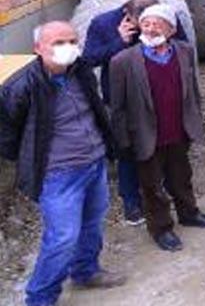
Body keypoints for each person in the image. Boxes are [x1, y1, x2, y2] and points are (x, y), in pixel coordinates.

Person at [0, 21, 127, 305]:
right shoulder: (21, 86)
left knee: (92, 224)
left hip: (93, 164)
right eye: (57, 43)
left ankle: (85, 271)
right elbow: (7, 135)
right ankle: (40, 297)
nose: (67, 48)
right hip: (58, 174)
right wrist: (30, 162)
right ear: (37, 48)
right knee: (62, 238)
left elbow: (95, 109)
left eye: (71, 41)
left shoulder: (80, 71)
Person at [107, 4, 205, 252]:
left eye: (157, 24)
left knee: (182, 177)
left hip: (178, 129)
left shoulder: (184, 51)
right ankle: (161, 228)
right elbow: (117, 107)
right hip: (146, 135)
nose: (150, 29)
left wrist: (195, 120)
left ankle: (189, 213)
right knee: (152, 186)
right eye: (146, 24)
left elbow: (192, 90)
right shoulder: (123, 61)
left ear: (170, 30)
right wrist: (123, 141)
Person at [80, 0, 166, 226]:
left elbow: (182, 46)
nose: (150, 25)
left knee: (159, 145)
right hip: (122, 99)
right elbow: (88, 60)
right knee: (126, 150)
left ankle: (160, 190)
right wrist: (119, 42)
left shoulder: (163, 17)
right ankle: (131, 201)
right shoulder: (103, 23)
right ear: (129, 15)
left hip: (158, 94)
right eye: (144, 22)